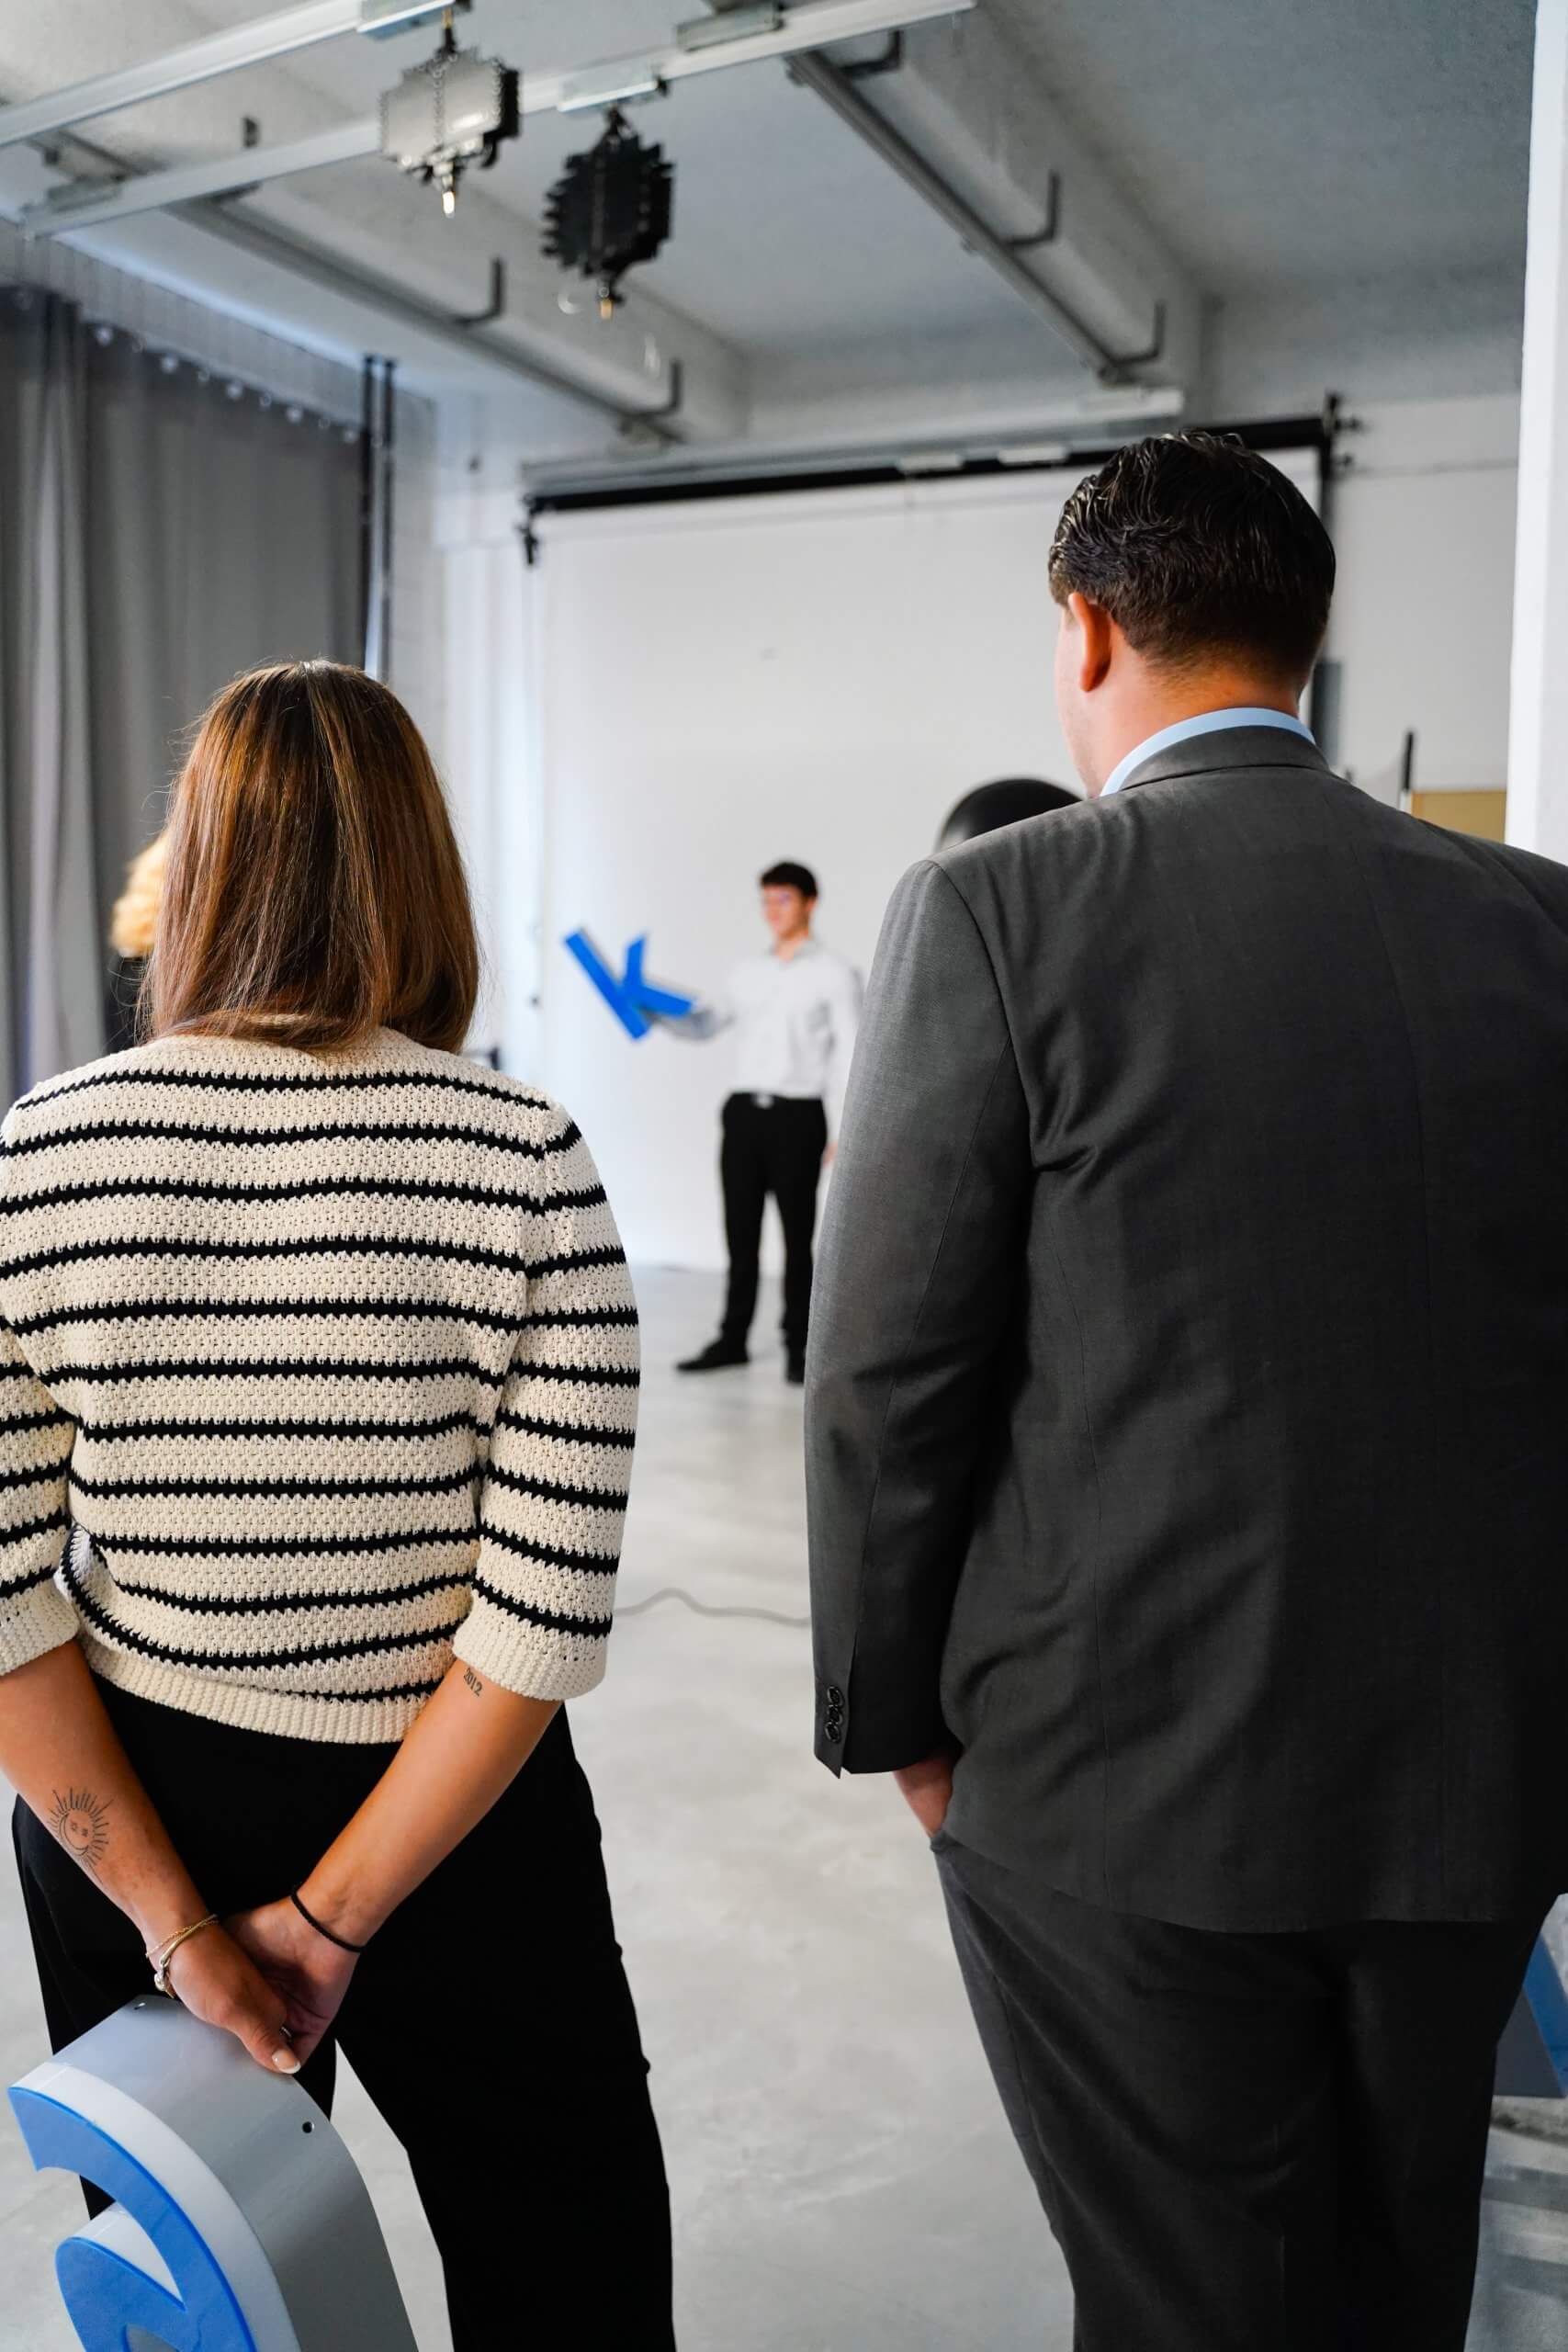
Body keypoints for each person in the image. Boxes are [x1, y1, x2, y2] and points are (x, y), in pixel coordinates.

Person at [806, 431, 1568, 2349]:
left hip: (1116, 1786)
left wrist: (892, 1717)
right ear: (1307, 640)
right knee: (1400, 2274)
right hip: (1472, 1783)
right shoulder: (1540, 921)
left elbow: (887, 1365)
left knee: (1186, 2299)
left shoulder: (999, 908)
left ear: (1082, 631)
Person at [0, 662, 674, 2348]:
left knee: (203, 2289)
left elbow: (5, 1604)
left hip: (131, 1805)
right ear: (420, 871)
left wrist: (179, 1927)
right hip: (456, 1815)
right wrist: (331, 1918)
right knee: (564, 2263)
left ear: (200, 867)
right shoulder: (522, 1157)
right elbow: (536, 1627)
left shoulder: (38, 1156)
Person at [672, 861, 861, 1385]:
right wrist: (654, 1009)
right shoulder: (747, 973)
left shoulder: (835, 975)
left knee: (798, 1238)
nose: (772, 911)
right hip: (742, 1116)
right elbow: (707, 1023)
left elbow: (852, 1054)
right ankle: (732, 1338)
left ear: (809, 903)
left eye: (782, 900)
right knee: (740, 1233)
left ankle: (799, 1348)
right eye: (766, 901)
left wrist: (847, 1129)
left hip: (798, 1117)